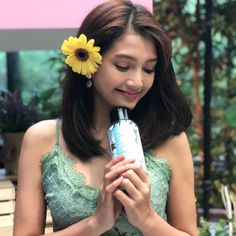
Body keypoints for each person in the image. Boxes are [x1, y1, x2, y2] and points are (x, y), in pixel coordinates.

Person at [13, 0, 198, 235]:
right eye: (123, 66)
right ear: (89, 63)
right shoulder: (43, 139)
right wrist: (95, 223)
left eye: (149, 69)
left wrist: (148, 220)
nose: (137, 82)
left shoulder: (170, 140)